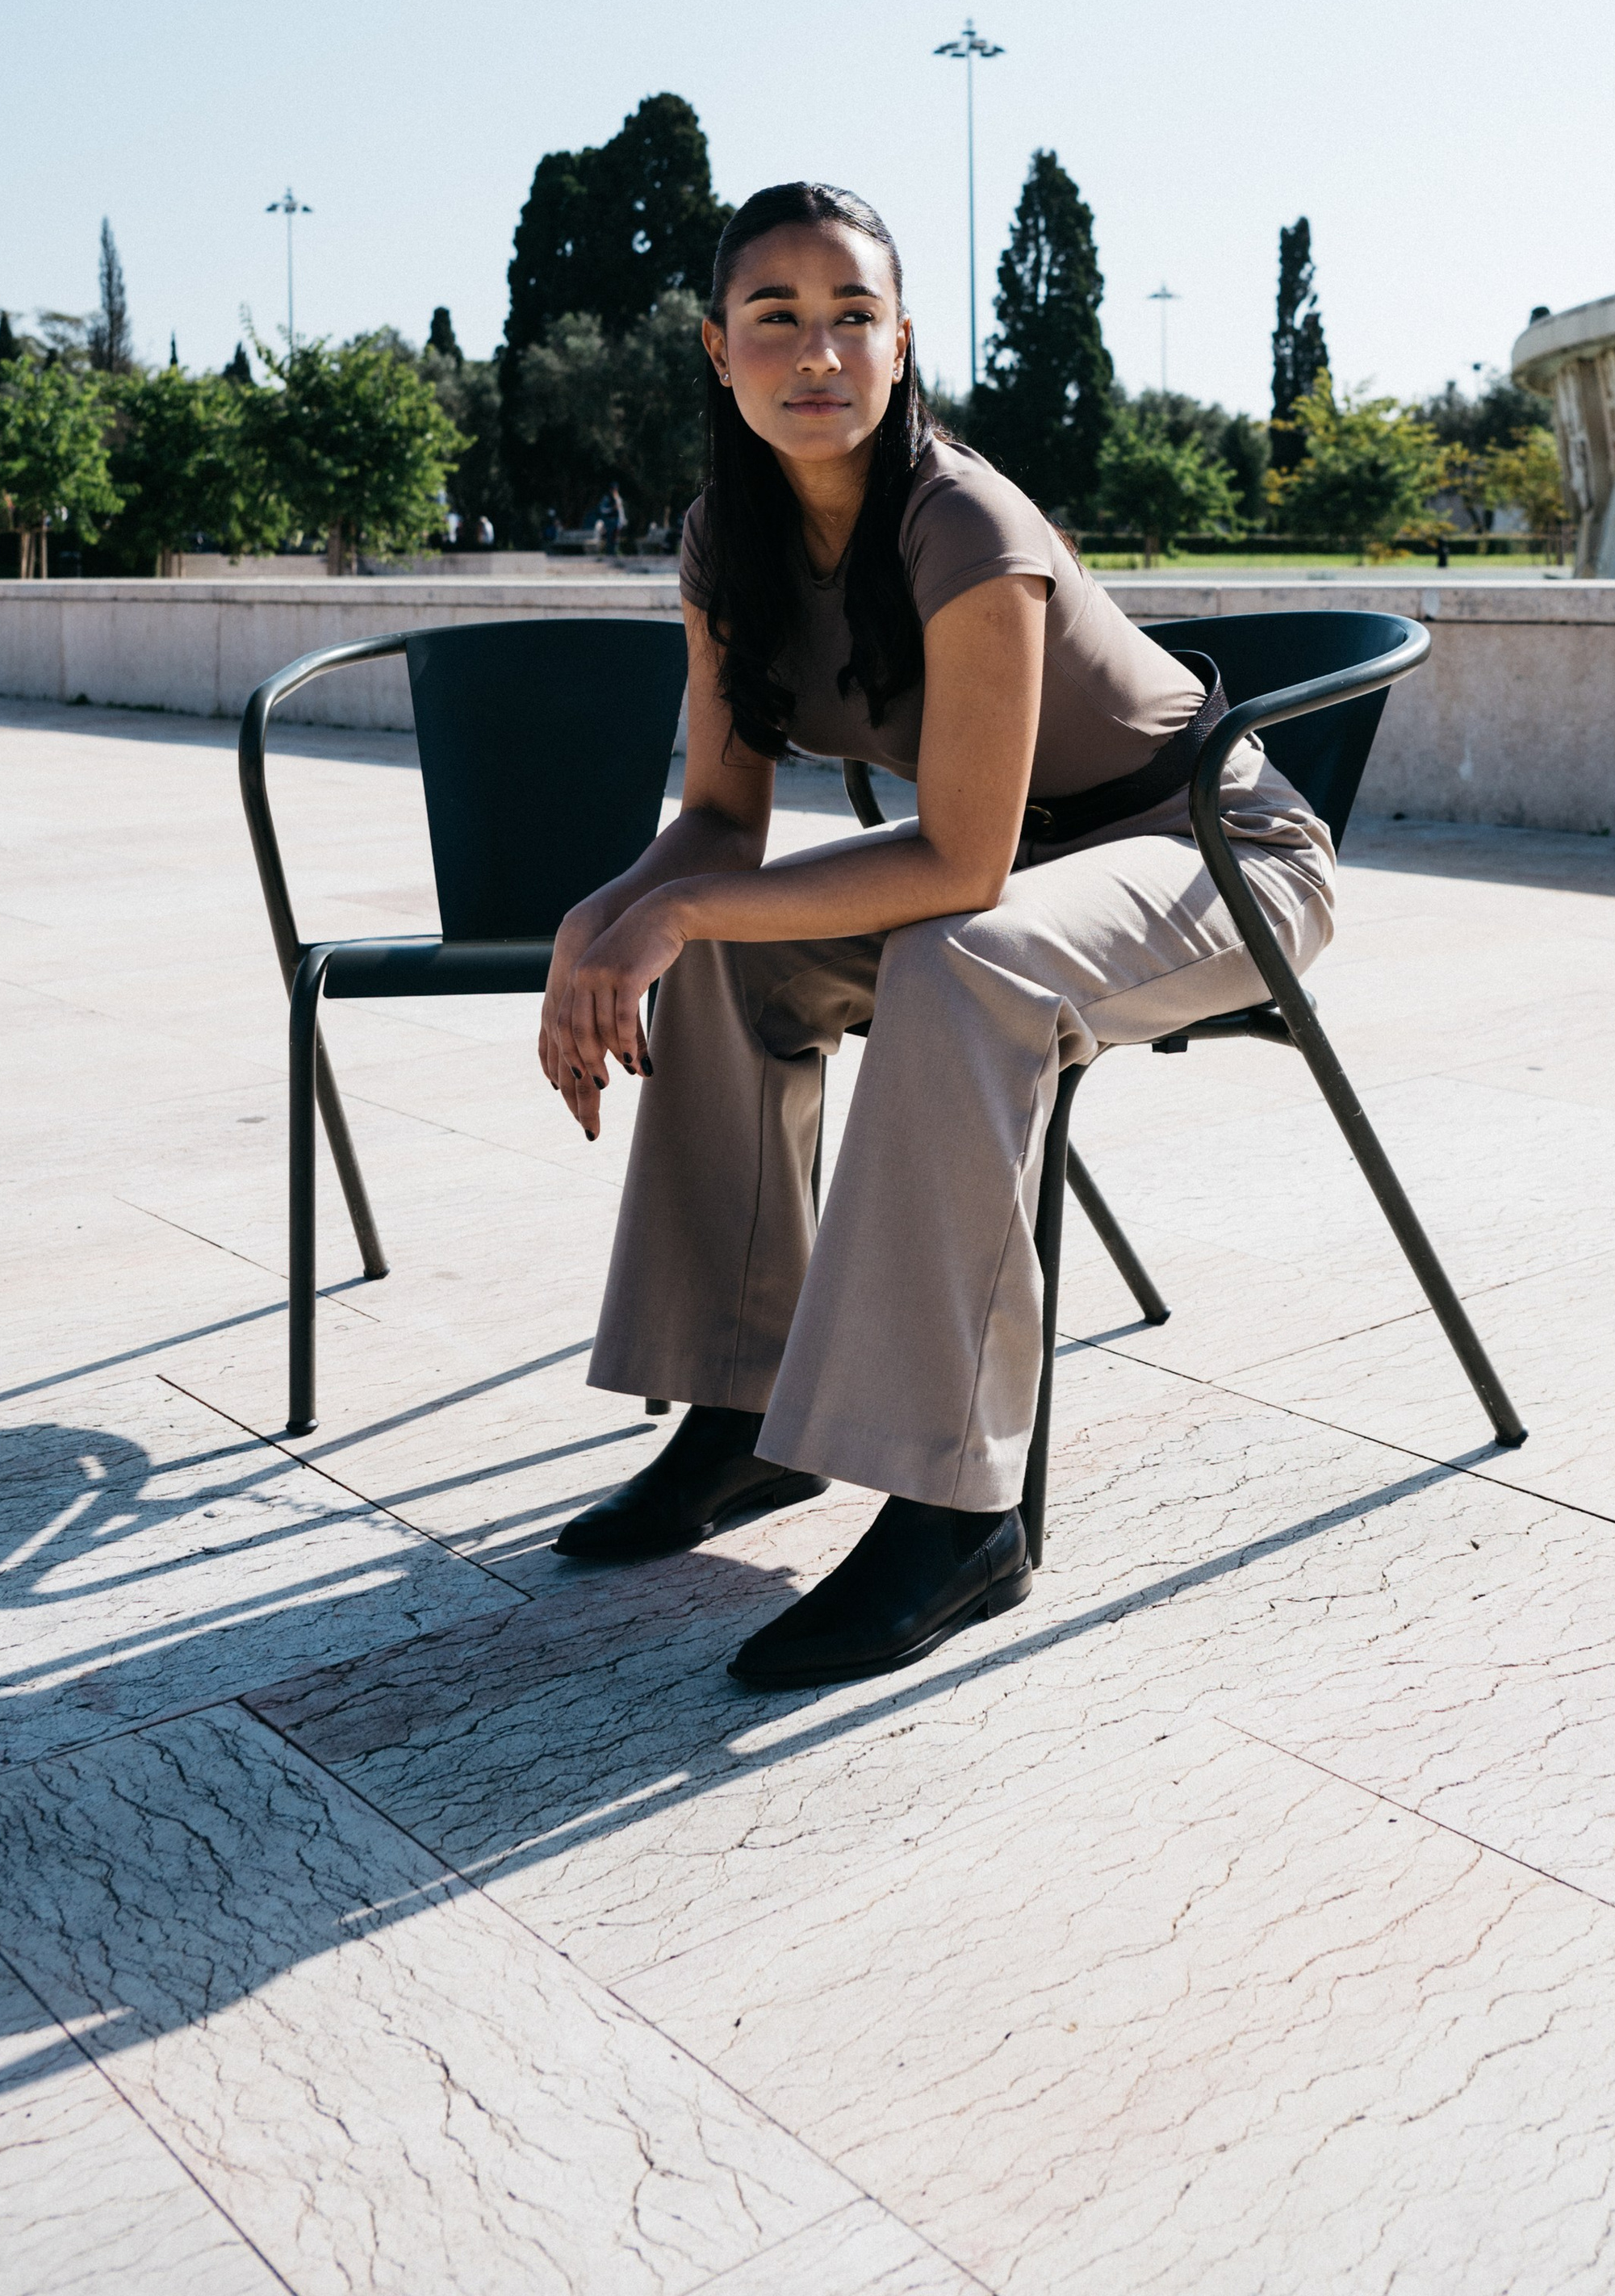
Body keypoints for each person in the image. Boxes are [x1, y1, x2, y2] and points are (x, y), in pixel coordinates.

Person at [538, 183, 1335, 1690]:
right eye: (777, 318)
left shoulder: (963, 519)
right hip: (1035, 870)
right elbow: (718, 820)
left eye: (855, 317)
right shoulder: (728, 543)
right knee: (709, 944)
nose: (818, 351)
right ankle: (740, 1407)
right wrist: (614, 914)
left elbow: (963, 865)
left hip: (1216, 856)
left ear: (905, 345)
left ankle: (954, 1509)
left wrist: (680, 905)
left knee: (963, 958)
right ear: (719, 351)